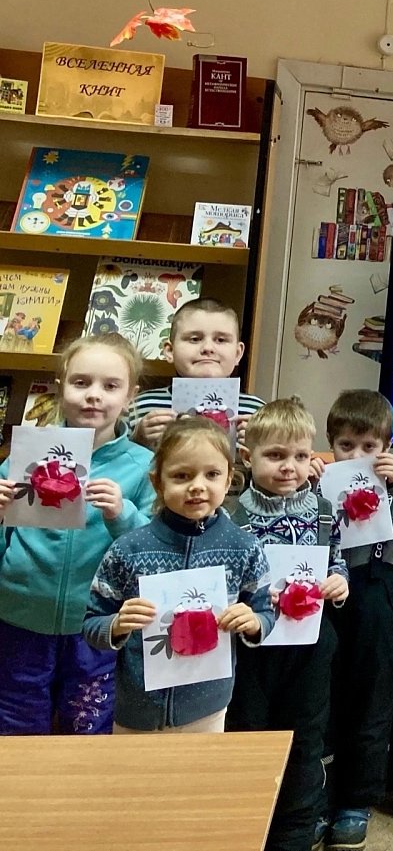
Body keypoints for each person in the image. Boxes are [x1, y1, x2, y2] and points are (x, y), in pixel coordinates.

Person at [0, 334, 154, 734]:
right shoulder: (25, 455)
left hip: (96, 625)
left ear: (131, 396)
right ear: (60, 386)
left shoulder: (143, 466)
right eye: (81, 382)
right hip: (19, 615)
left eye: (110, 385)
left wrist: (122, 513)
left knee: (86, 726)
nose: (94, 395)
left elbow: (156, 549)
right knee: (14, 723)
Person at [82, 417, 275, 732]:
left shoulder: (245, 547)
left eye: (212, 474)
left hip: (208, 709)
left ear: (229, 479)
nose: (197, 486)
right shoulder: (128, 549)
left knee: (201, 767)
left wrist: (254, 623)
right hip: (137, 711)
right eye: (181, 475)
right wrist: (116, 625)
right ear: (157, 482)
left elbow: (266, 612)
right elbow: (91, 623)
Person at [227, 398, 349, 851]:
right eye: (275, 455)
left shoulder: (323, 510)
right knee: (248, 736)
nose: (288, 467)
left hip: (310, 646)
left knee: (305, 739)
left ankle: (294, 836)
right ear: (248, 457)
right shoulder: (231, 515)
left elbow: (337, 561)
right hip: (252, 651)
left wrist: (339, 582)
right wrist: (248, 600)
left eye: (299, 456)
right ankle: (248, 830)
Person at [322, 389, 393, 851]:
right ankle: (320, 796)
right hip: (326, 595)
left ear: (386, 447)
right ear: (332, 445)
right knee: (324, 697)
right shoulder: (320, 482)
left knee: (372, 698)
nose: (356, 456)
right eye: (346, 446)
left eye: (369, 446)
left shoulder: (392, 485)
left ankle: (357, 801)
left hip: (377, 593)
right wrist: (310, 483)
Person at [129, 298, 264, 450]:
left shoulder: (259, 413)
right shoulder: (138, 407)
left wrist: (262, 446)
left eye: (220, 340)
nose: (208, 348)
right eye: (195, 339)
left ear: (238, 353)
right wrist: (137, 441)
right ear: (170, 351)